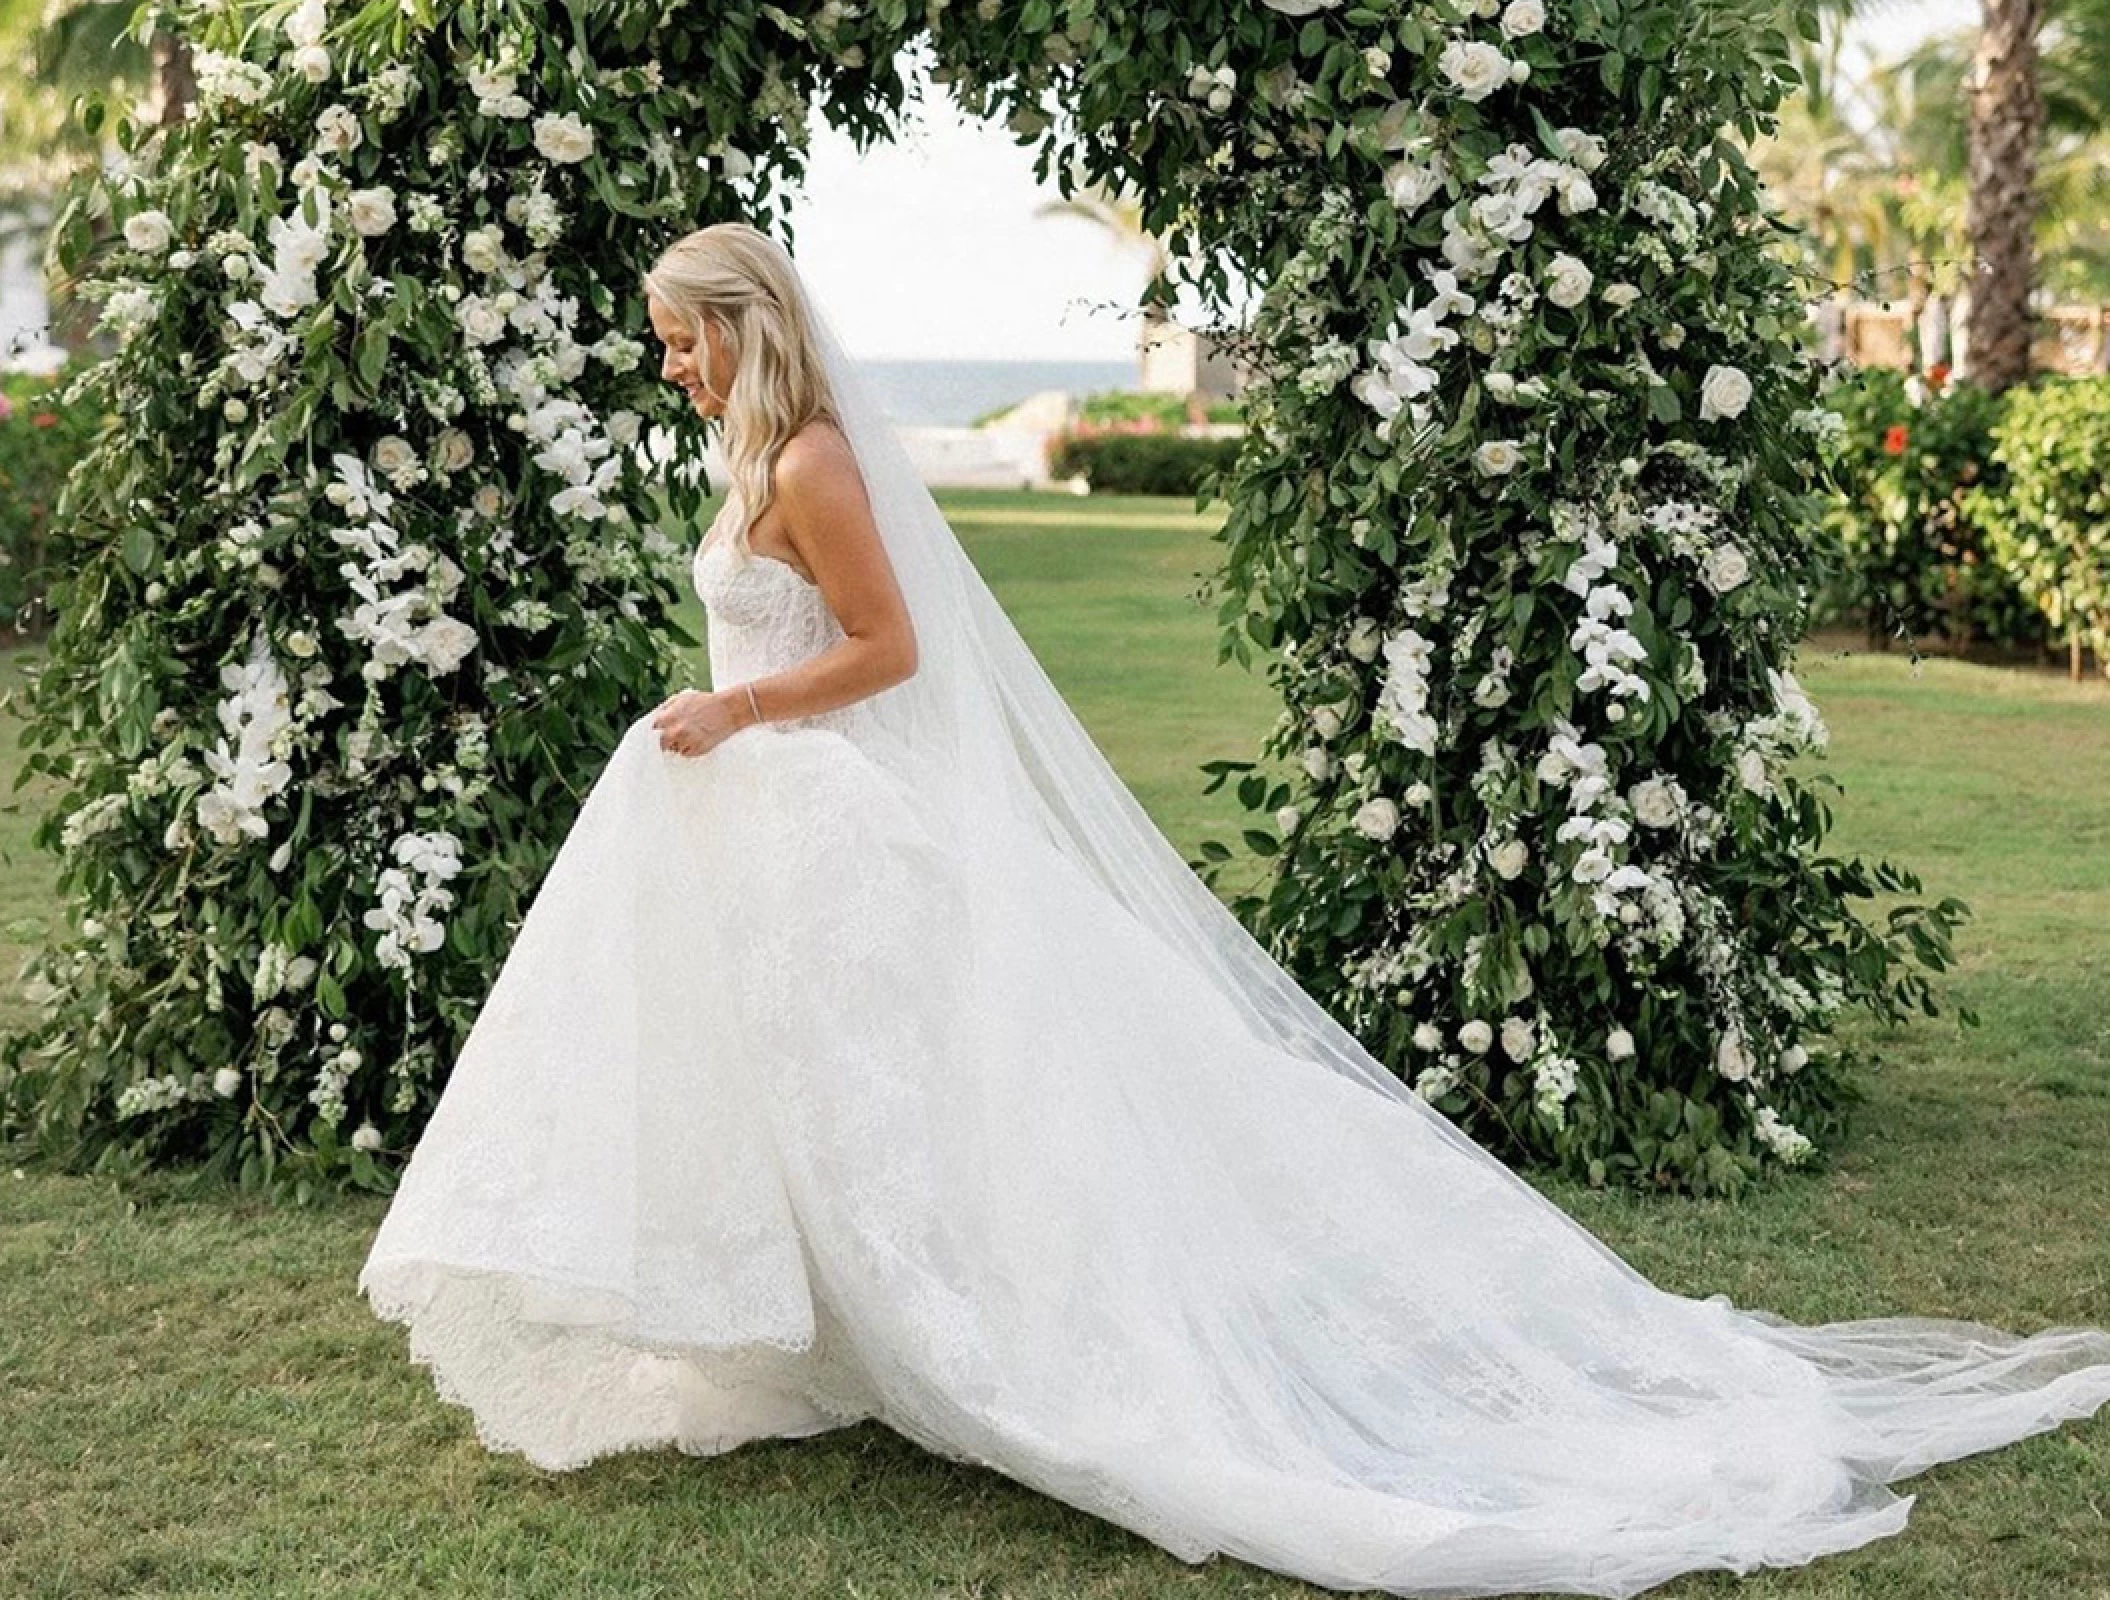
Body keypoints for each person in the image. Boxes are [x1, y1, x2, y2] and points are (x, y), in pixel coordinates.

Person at [357, 222, 2110, 1600]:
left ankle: (980, 1340)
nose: (665, 366)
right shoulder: (750, 463)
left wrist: (733, 712)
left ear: (749, 324)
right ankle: (833, 1333)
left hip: (823, 814)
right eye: (662, 342)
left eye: (682, 337)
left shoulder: (812, 461)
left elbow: (887, 652)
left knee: (914, 1096)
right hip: (773, 825)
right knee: (817, 1096)